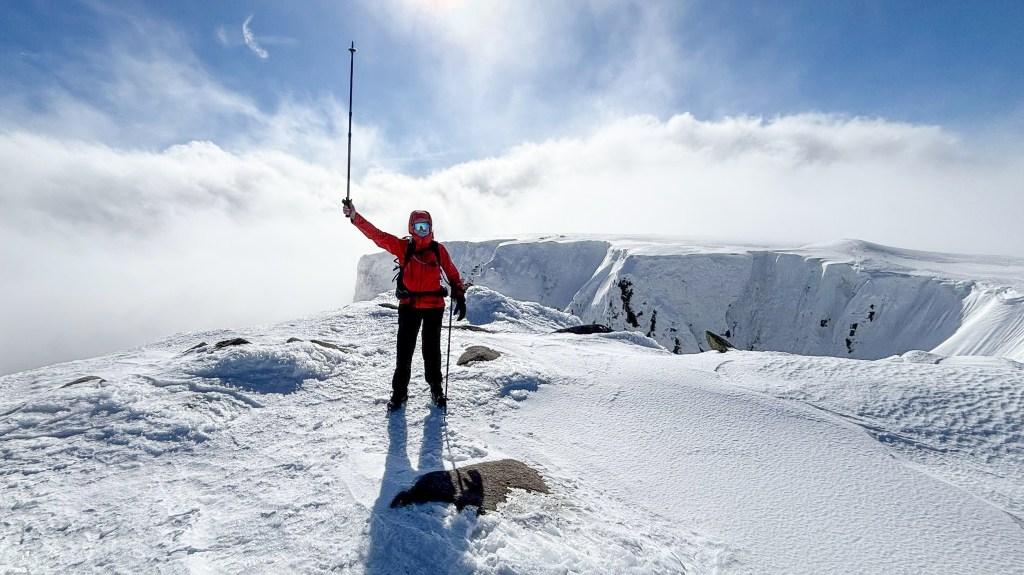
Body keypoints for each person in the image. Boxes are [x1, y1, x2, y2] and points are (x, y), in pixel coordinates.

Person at [343, 200, 467, 412]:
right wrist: (355, 217)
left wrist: (460, 295)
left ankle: (436, 387)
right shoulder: (403, 247)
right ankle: (400, 392)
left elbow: (452, 272)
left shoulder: (438, 250)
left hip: (433, 307)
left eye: (425, 227)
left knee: (432, 350)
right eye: (417, 227)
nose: (421, 231)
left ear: (431, 227)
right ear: (411, 228)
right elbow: (378, 236)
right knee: (404, 352)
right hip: (409, 306)